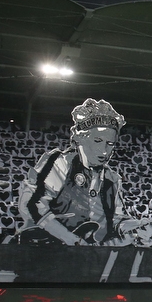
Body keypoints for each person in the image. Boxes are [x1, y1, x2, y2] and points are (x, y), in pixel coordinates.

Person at [15, 98, 136, 246]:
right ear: (81, 139)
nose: (104, 151)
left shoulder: (112, 179)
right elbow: (32, 205)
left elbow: (117, 220)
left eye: (110, 144)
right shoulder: (60, 162)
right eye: (97, 141)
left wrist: (136, 231)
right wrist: (72, 240)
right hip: (43, 249)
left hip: (84, 256)